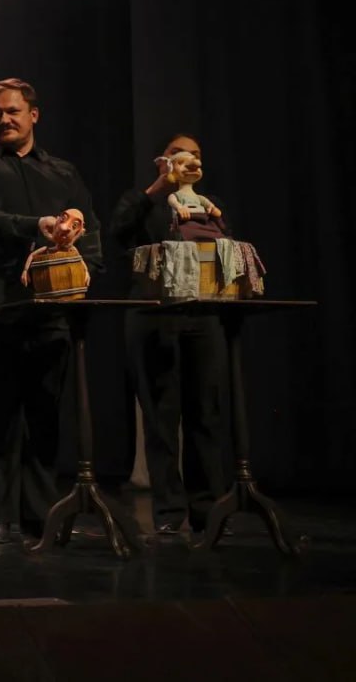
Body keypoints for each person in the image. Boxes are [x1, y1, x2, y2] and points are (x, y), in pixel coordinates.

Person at [0, 77, 102, 544]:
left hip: (51, 304)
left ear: (33, 115)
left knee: (43, 412)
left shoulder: (63, 173)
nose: (3, 120)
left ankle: (38, 516)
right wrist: (38, 225)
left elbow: (90, 229)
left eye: (12, 111)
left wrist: (86, 272)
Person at [109, 132, 228, 537]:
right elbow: (118, 231)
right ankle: (169, 511)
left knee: (205, 412)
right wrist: (156, 190)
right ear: (162, 160)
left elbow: (223, 242)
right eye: (179, 153)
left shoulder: (204, 205)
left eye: (195, 154)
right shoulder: (142, 201)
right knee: (161, 417)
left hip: (201, 314)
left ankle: (207, 510)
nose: (188, 160)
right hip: (153, 315)